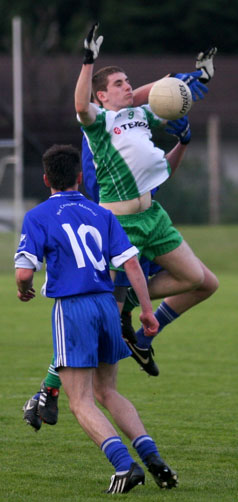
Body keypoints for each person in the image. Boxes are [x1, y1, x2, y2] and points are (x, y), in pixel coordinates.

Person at [22, 26, 219, 430]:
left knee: (201, 280)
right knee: (99, 330)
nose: (129, 87)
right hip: (119, 224)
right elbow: (81, 104)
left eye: (129, 82)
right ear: (101, 97)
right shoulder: (97, 123)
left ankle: (141, 328)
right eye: (119, 83)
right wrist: (89, 60)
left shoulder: (141, 116)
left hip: (153, 216)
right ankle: (47, 389)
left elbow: (164, 98)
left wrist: (196, 84)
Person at [15, 144, 178, 493]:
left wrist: (23, 288)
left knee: (81, 400)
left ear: (46, 180)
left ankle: (125, 466)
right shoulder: (102, 214)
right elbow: (132, 264)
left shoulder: (38, 215)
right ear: (79, 177)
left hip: (73, 308)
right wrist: (148, 312)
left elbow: (24, 271)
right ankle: (153, 458)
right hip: (107, 305)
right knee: (108, 390)